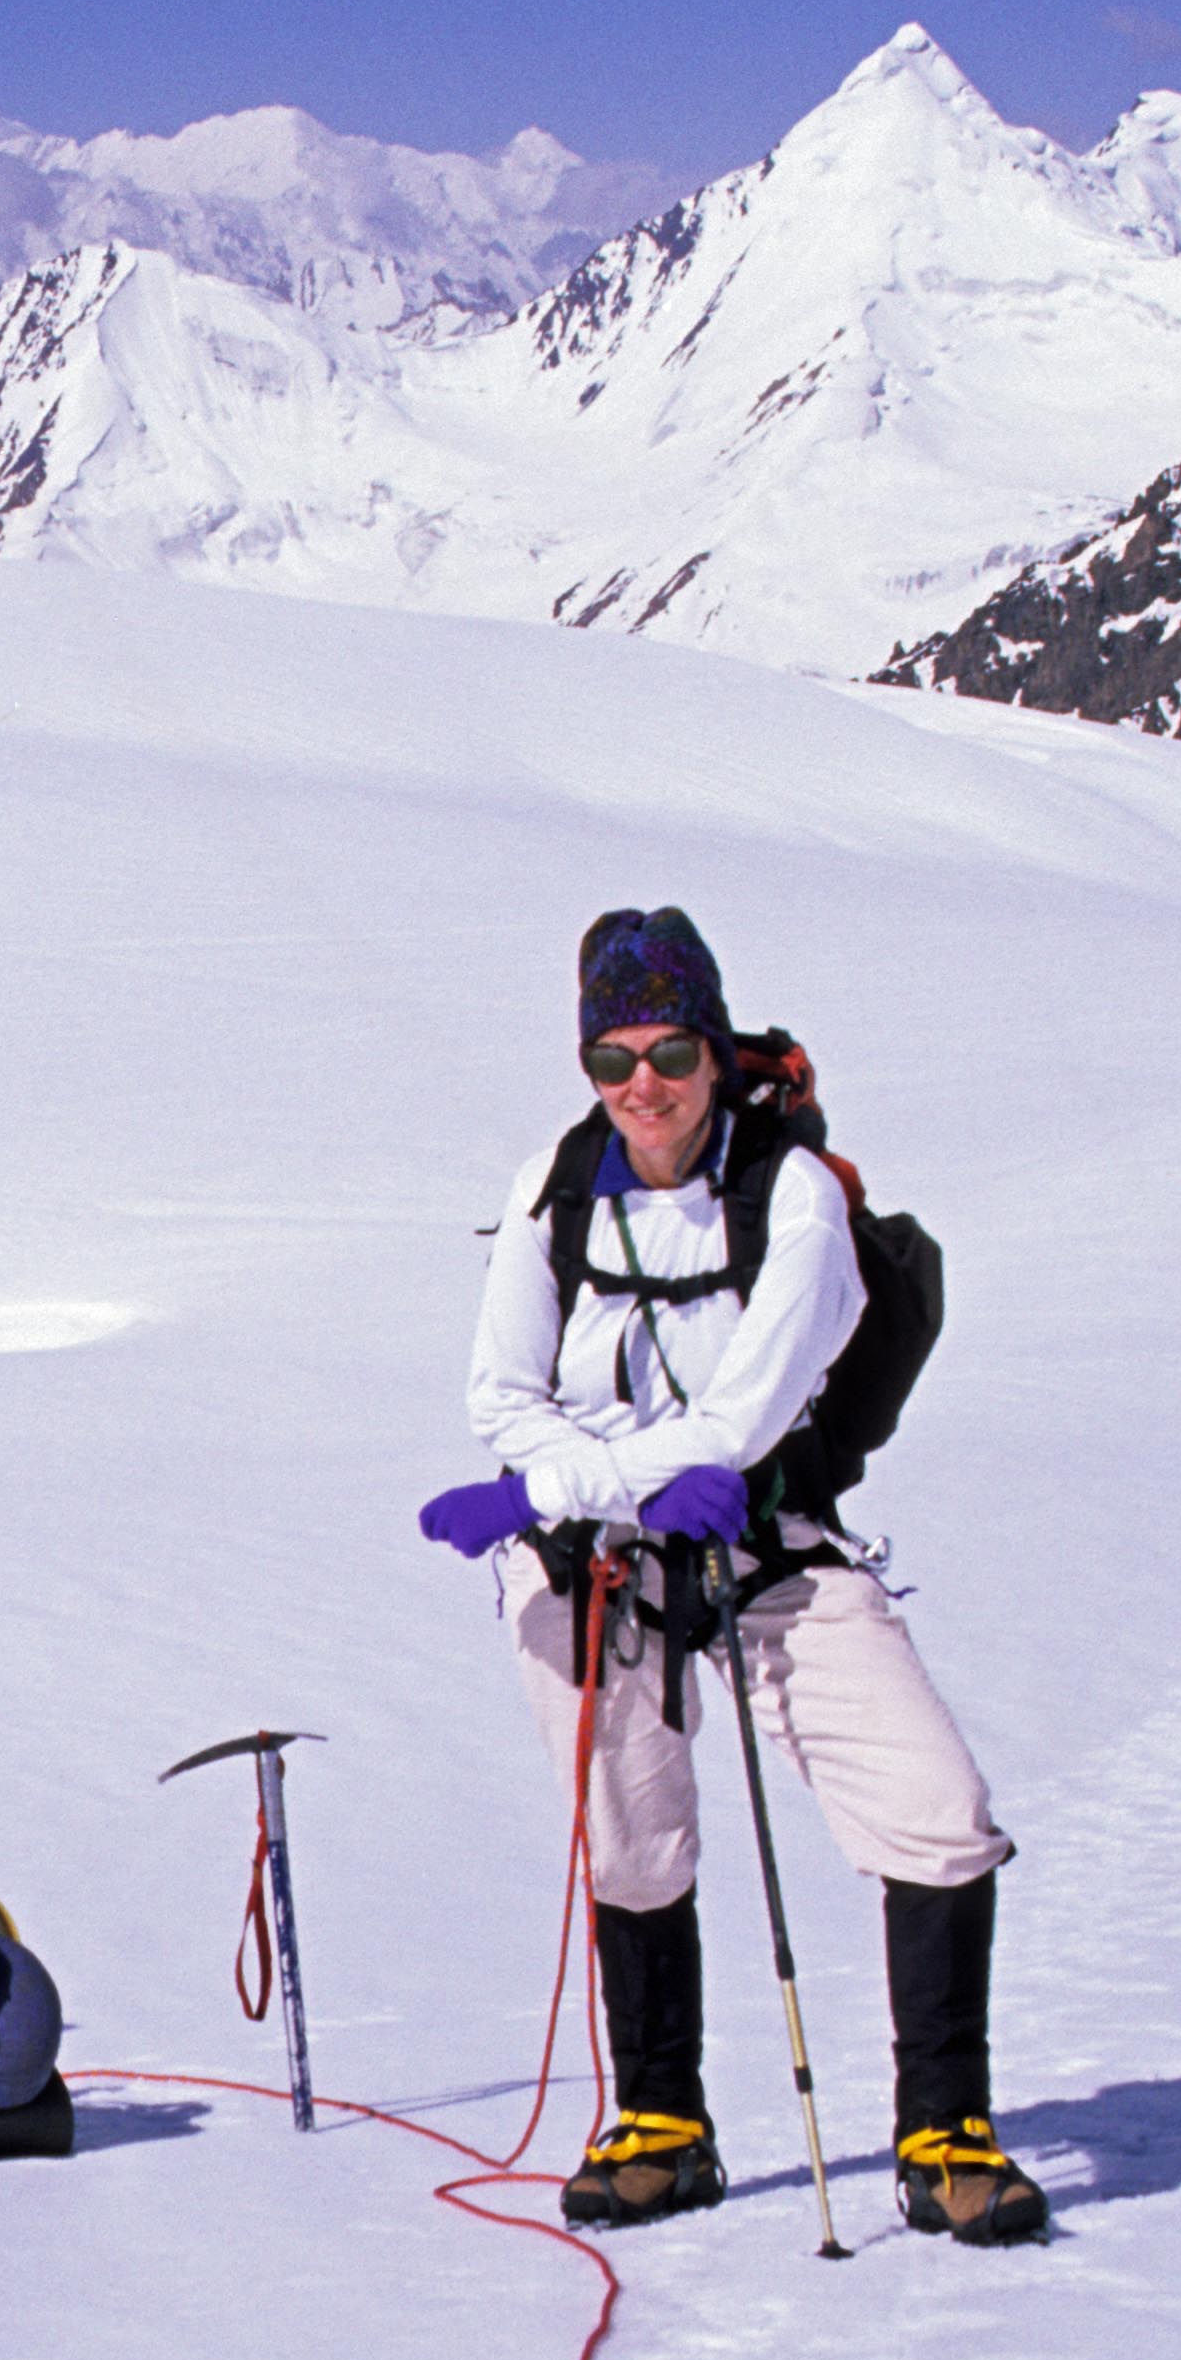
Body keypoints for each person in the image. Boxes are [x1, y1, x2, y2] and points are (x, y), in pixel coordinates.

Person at [415, 906, 1048, 2246]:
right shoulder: (557, 1179)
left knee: (933, 1804)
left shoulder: (793, 1192)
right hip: (592, 1557)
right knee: (627, 1826)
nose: (640, 1081)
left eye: (669, 1047)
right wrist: (563, 1494)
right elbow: (499, 1392)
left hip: (766, 1541)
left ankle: (945, 2125)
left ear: (713, 1045)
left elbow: (741, 1419)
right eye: (610, 1053)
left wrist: (556, 1479)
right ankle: (659, 2122)